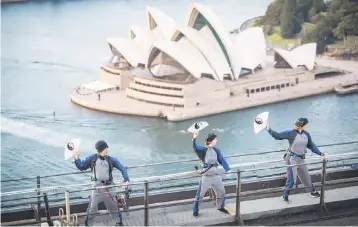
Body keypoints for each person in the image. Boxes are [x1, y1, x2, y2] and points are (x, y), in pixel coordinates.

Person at [266, 117, 324, 203]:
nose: (307, 126)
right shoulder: (290, 133)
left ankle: (312, 192)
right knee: (292, 180)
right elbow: (277, 136)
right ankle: (285, 196)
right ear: (302, 125)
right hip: (291, 159)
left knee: (306, 177)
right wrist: (269, 129)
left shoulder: (306, 134)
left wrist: (320, 153)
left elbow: (311, 145)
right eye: (306, 124)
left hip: (301, 159)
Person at [74, 140, 129, 226]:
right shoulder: (92, 158)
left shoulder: (111, 159)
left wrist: (126, 180)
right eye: (105, 148)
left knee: (114, 207)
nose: (107, 150)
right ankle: (88, 224)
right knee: (92, 208)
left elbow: (122, 168)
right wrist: (76, 158)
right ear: (101, 149)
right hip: (96, 188)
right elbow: (82, 166)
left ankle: (119, 223)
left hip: (109, 187)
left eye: (106, 148)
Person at [192, 131, 231, 217]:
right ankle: (195, 210)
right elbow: (195, 147)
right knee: (200, 195)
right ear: (210, 141)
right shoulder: (203, 149)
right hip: (206, 177)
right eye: (215, 139)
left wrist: (227, 169)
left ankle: (220, 206)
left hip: (216, 176)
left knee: (222, 192)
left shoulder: (216, 150)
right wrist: (194, 138)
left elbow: (222, 160)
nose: (216, 140)